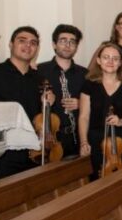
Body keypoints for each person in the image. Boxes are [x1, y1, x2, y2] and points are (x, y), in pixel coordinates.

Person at [0, 26, 54, 178]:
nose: (28, 45)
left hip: (34, 152)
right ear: (10, 44)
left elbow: (41, 119)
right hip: (0, 154)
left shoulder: (40, 80)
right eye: (22, 41)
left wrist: (47, 104)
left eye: (33, 43)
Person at [79, 43, 122, 181]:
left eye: (115, 58)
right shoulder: (89, 84)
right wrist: (84, 142)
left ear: (120, 63)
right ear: (98, 60)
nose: (110, 61)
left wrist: (121, 121)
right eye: (106, 57)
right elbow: (84, 117)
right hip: (96, 142)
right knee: (97, 181)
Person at [37, 24, 87, 159]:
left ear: (76, 47)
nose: (67, 45)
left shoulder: (85, 74)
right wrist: (43, 101)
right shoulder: (39, 71)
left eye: (72, 42)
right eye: (63, 40)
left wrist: (81, 104)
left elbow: (96, 104)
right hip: (50, 140)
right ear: (54, 44)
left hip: (79, 139)